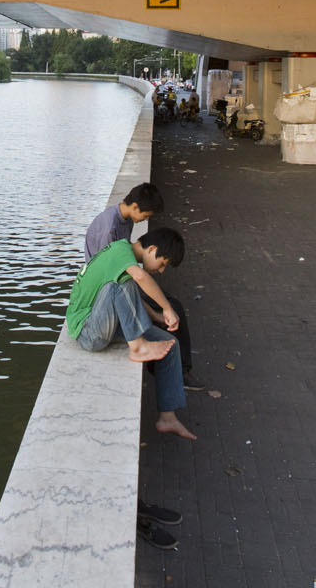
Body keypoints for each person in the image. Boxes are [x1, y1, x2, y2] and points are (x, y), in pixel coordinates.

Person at [66, 227, 196, 440]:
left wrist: (156, 315)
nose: (161, 270)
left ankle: (168, 418)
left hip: (107, 322)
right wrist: (167, 307)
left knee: (171, 343)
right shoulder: (121, 252)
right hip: (88, 331)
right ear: (152, 249)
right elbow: (137, 280)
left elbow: (132, 292)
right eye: (162, 264)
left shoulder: (125, 257)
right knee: (122, 282)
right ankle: (138, 347)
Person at [85, 183, 203, 391]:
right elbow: (112, 274)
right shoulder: (109, 229)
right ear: (136, 207)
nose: (145, 221)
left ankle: (175, 367)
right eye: (146, 216)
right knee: (166, 307)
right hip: (108, 287)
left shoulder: (125, 220)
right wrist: (161, 309)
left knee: (169, 306)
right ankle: (173, 369)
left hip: (121, 276)